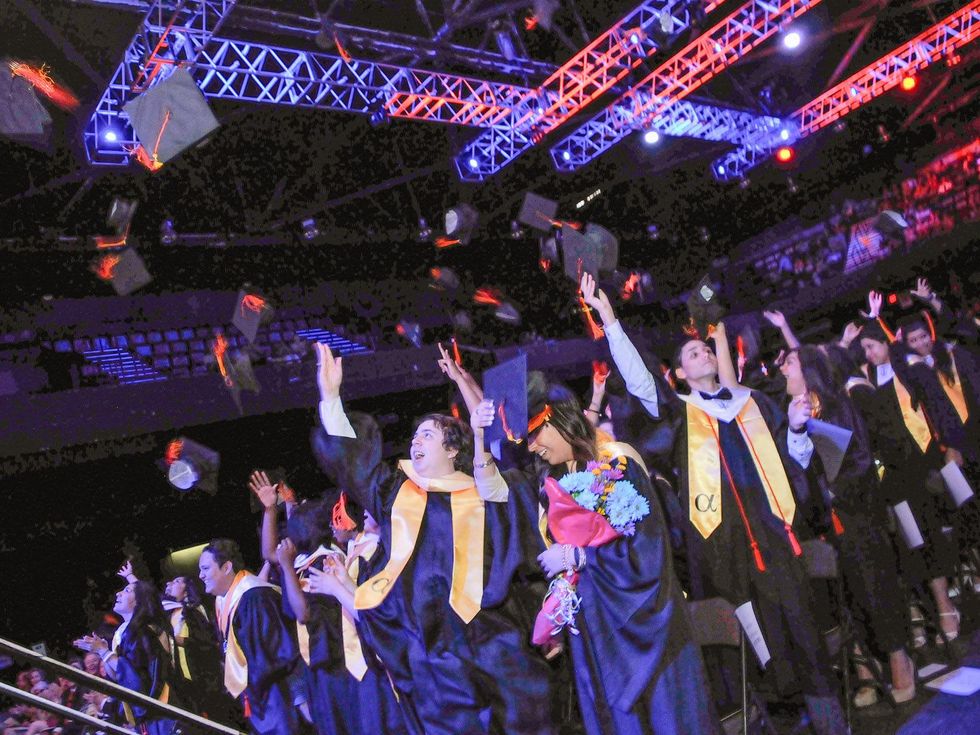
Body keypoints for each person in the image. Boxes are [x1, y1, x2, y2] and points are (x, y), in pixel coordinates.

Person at [580, 274, 848, 735]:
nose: (702, 353)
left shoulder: (754, 402)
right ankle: (772, 723)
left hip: (776, 538)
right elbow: (641, 381)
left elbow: (796, 463)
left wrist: (797, 429)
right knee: (749, 646)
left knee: (802, 630)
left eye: (704, 349)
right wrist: (609, 319)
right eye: (691, 354)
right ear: (680, 374)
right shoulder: (680, 415)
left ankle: (831, 725)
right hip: (720, 551)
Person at [309, 342, 554, 735]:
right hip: (432, 655)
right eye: (414, 437)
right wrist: (331, 399)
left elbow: (530, 521)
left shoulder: (489, 491)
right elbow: (355, 466)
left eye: (426, 435)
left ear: (453, 449)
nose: (415, 443)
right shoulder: (397, 493)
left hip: (494, 640)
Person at [469, 369, 720, 735]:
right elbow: (492, 491)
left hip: (643, 624)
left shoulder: (616, 463)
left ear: (560, 419)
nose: (533, 446)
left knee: (665, 717)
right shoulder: (549, 481)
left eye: (536, 433)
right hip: (594, 629)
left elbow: (648, 550)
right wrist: (479, 435)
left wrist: (579, 558)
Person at [779, 346, 915, 704]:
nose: (782, 370)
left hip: (857, 514)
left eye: (789, 363)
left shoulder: (838, 405)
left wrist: (835, 492)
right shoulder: (789, 414)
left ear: (809, 370)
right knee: (845, 599)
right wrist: (795, 429)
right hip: (820, 523)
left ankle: (899, 658)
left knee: (874, 586)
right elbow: (795, 471)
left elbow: (860, 460)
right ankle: (866, 669)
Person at [858, 299, 967, 644]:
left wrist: (952, 446)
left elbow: (939, 407)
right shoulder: (867, 382)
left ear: (886, 343)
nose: (869, 354)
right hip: (895, 476)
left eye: (872, 346)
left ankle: (946, 602)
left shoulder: (910, 368)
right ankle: (927, 609)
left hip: (927, 462)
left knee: (936, 529)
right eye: (865, 349)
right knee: (911, 541)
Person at [199, 539, 304, 735]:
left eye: (205, 569)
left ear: (226, 567)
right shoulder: (224, 600)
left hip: (278, 694)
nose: (200, 575)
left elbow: (276, 652)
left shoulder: (254, 597)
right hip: (258, 694)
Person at [273, 499, 358, 735]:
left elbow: (304, 613)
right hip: (318, 664)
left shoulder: (326, 561)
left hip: (337, 661)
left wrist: (287, 567)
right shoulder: (303, 563)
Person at [73, 581, 179, 735]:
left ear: (139, 600)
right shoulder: (128, 631)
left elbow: (135, 676)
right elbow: (118, 675)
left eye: (127, 590)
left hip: (162, 711)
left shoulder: (145, 631)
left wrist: (104, 651)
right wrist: (103, 652)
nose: (118, 593)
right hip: (151, 715)